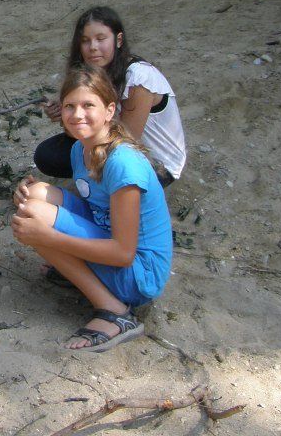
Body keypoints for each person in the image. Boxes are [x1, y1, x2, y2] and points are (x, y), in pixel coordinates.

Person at [11, 66, 172, 352]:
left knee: (36, 219)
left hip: (140, 276)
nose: (77, 114)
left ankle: (115, 312)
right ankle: (79, 270)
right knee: (33, 198)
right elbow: (94, 203)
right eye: (70, 106)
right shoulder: (80, 149)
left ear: (109, 110)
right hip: (110, 240)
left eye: (88, 105)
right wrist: (28, 192)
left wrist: (50, 239)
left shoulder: (123, 163)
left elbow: (124, 253)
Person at [34, 6, 186, 187]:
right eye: (85, 41)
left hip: (152, 161)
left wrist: (77, 121)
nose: (93, 47)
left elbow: (127, 141)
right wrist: (66, 115)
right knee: (47, 155)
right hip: (107, 140)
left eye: (101, 39)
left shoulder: (139, 78)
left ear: (118, 40)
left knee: (110, 172)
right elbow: (84, 130)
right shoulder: (90, 76)